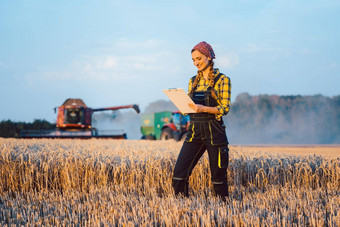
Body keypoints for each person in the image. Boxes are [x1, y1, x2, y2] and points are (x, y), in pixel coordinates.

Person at [172, 41, 231, 200]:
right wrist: (185, 106)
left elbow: (224, 108)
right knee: (179, 175)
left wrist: (203, 108)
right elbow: (192, 107)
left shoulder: (222, 80)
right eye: (193, 60)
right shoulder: (193, 81)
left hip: (215, 133)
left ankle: (223, 211)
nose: (196, 63)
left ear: (209, 57)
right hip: (194, 133)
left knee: (218, 180)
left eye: (198, 58)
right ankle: (182, 211)